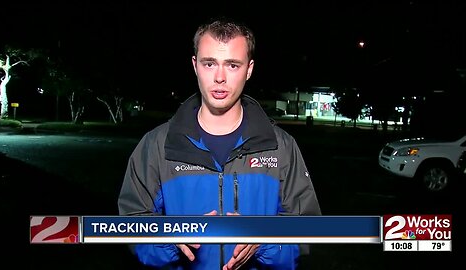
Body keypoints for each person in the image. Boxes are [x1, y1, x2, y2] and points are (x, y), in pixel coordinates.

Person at [118, 18, 322, 270]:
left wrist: (264, 241)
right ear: (195, 66)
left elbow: (308, 233)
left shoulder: (281, 147)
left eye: (233, 65)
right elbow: (129, 228)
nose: (220, 77)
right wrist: (169, 239)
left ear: (249, 69)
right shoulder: (157, 145)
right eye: (209, 63)